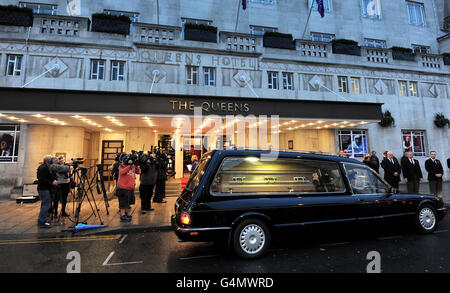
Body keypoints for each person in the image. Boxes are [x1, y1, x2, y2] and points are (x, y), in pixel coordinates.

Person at [117, 155, 141, 222]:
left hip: (130, 187)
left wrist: (136, 166)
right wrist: (129, 166)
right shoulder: (121, 166)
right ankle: (122, 215)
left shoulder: (133, 166)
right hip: (123, 187)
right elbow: (122, 172)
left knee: (128, 202)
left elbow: (139, 172)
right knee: (123, 202)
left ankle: (126, 214)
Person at [37, 155, 56, 228]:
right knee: (46, 205)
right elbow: (41, 179)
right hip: (44, 189)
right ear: (48, 161)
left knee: (45, 204)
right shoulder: (44, 167)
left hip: (44, 188)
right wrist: (52, 182)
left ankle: (42, 219)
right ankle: (41, 221)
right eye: (51, 160)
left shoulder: (45, 167)